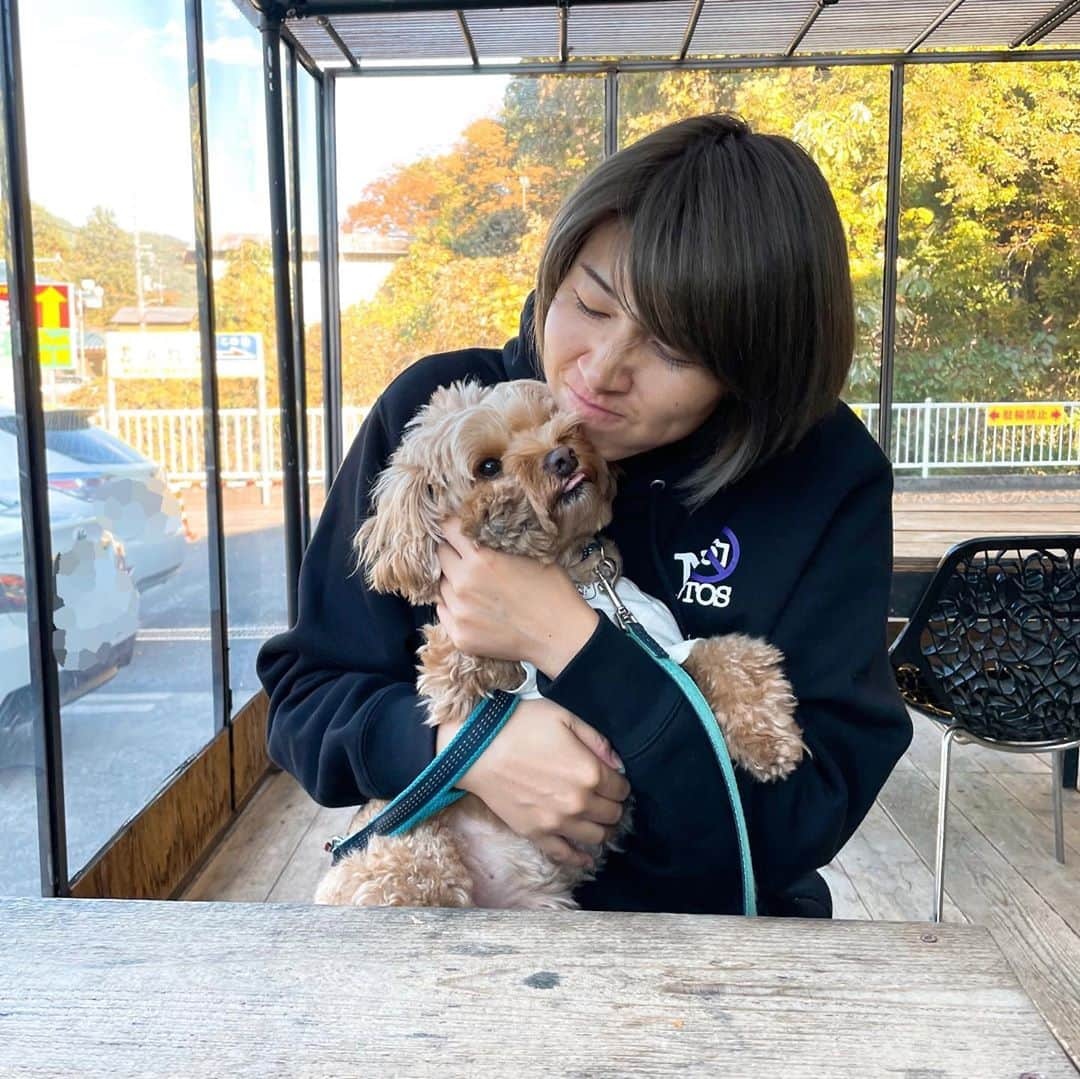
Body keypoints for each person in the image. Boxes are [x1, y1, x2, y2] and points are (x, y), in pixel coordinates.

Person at [257, 113, 913, 917]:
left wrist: (562, 638)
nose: (599, 372)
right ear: (558, 269)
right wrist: (468, 749)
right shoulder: (438, 421)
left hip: (712, 935)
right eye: (589, 305)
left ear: (752, 367)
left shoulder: (822, 474)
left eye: (673, 351)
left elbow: (805, 807)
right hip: (451, 921)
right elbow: (308, 692)